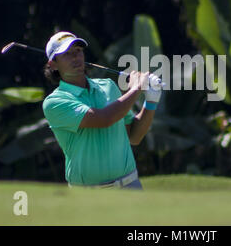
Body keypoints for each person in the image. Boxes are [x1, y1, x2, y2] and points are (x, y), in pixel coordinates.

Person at [42, 31, 162, 190]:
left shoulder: (108, 86)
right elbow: (103, 119)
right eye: (67, 54)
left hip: (129, 186)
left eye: (78, 51)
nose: (75, 58)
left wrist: (151, 102)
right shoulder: (55, 102)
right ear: (53, 64)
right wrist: (136, 88)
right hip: (87, 196)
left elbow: (134, 136)